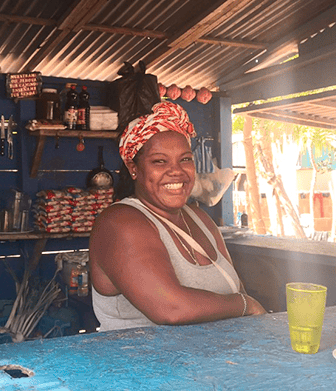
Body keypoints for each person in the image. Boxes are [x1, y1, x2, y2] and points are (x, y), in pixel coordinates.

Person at [89, 101, 266, 331]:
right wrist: (246, 305)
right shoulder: (119, 223)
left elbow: (235, 288)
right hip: (143, 365)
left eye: (185, 159)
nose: (176, 171)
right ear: (134, 169)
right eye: (159, 161)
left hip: (215, 362)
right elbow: (170, 309)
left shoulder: (200, 220)